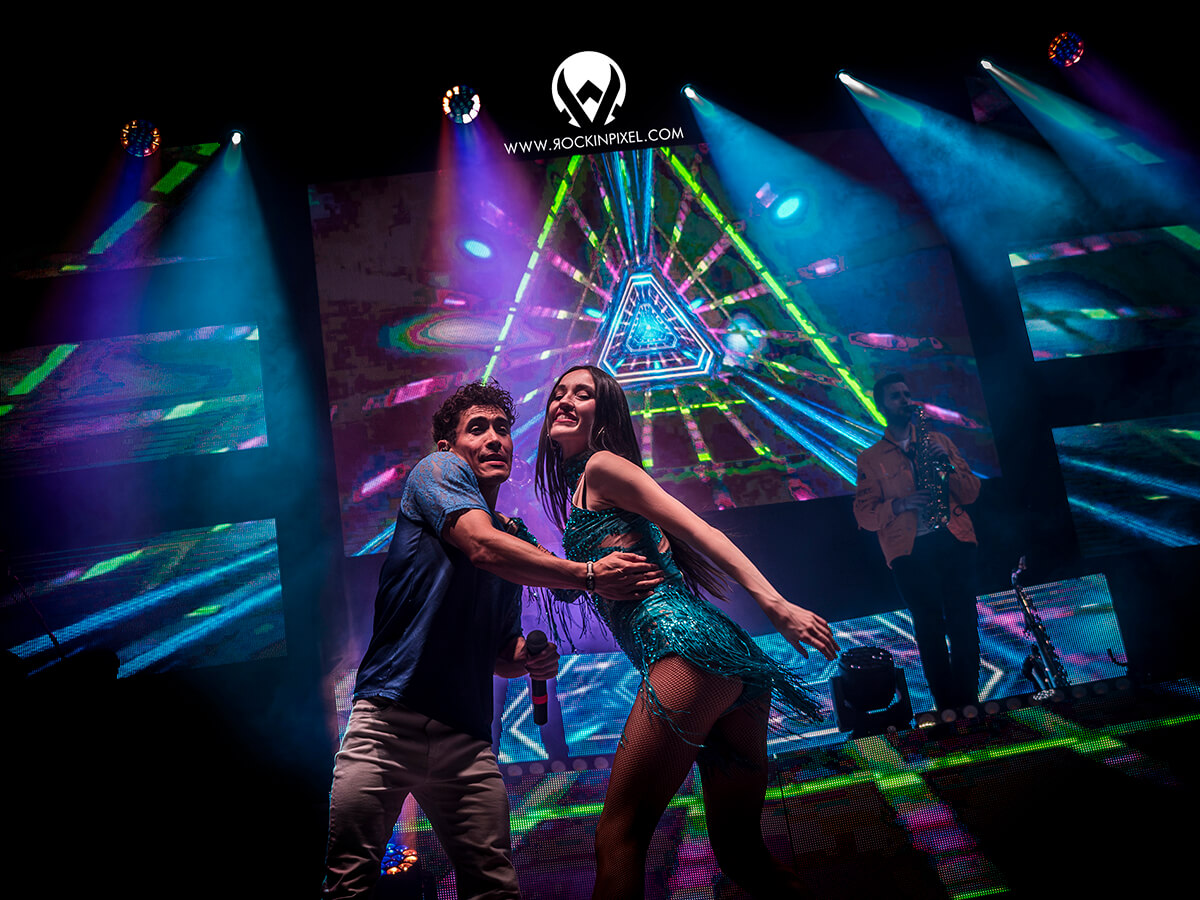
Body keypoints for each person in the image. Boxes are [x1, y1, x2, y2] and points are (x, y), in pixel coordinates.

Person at [323, 381, 663, 900]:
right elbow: (480, 547)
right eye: (477, 428)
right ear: (449, 446)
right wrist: (590, 574)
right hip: (388, 724)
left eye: (502, 429)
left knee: (495, 888)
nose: (494, 439)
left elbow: (501, 653)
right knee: (349, 883)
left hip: (465, 739)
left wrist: (529, 658)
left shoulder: (509, 537)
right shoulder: (436, 471)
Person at [534, 365, 839, 900]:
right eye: (560, 393)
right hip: (727, 663)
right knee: (740, 851)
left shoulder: (603, 466)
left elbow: (700, 530)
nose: (565, 400)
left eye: (582, 394)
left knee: (618, 837)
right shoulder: (589, 486)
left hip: (687, 654)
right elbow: (595, 579)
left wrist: (776, 605)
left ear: (604, 416)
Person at [853, 373, 982, 711]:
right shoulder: (871, 458)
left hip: (953, 540)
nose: (905, 400)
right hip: (910, 551)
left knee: (964, 623)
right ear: (882, 406)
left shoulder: (939, 441)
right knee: (929, 628)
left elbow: (971, 493)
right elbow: (865, 516)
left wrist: (947, 464)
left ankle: (969, 702)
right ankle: (946, 707)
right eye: (896, 396)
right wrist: (900, 505)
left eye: (907, 394)